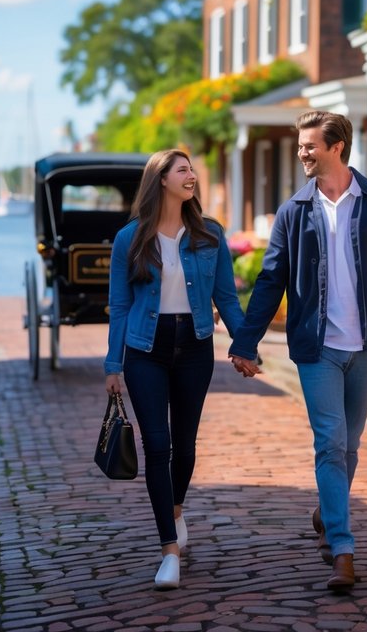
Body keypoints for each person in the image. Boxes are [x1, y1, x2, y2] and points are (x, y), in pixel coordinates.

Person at [227, 110, 367, 593]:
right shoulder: (294, 211)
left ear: (337, 146)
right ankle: (343, 548)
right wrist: (246, 341)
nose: (302, 153)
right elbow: (271, 280)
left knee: (349, 448)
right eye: (300, 146)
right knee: (330, 444)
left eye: (310, 145)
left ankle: (326, 510)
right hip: (317, 349)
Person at [104, 149, 244, 590]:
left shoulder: (211, 236)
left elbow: (228, 299)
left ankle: (176, 509)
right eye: (182, 170)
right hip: (145, 350)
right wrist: (113, 364)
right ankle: (169, 549)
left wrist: (246, 344)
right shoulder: (130, 239)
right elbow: (121, 306)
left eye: (192, 170)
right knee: (157, 447)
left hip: (195, 347)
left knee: (185, 447)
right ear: (161, 179)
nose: (192, 176)